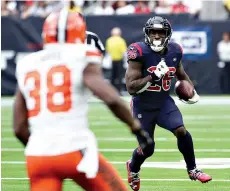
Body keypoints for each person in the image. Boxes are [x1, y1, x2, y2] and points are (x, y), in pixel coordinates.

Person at [13, 9, 152, 191]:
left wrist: (43, 147)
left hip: (38, 157)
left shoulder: (27, 63)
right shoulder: (82, 56)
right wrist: (137, 129)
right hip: (76, 150)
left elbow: (19, 128)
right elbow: (110, 99)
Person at [125, 16, 212, 191]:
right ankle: (133, 168)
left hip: (163, 102)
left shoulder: (175, 51)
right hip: (143, 105)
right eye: (153, 32)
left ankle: (192, 169)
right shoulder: (138, 52)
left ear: (168, 35)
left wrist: (190, 89)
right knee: (147, 149)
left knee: (181, 130)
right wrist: (152, 77)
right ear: (147, 34)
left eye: (161, 32)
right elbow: (131, 88)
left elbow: (181, 73)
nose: (157, 36)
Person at [106, 27, 127, 94]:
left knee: (112, 76)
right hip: (119, 60)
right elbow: (124, 52)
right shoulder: (121, 40)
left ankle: (111, 91)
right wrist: (126, 61)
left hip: (112, 61)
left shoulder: (109, 40)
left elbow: (108, 52)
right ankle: (119, 91)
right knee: (120, 77)